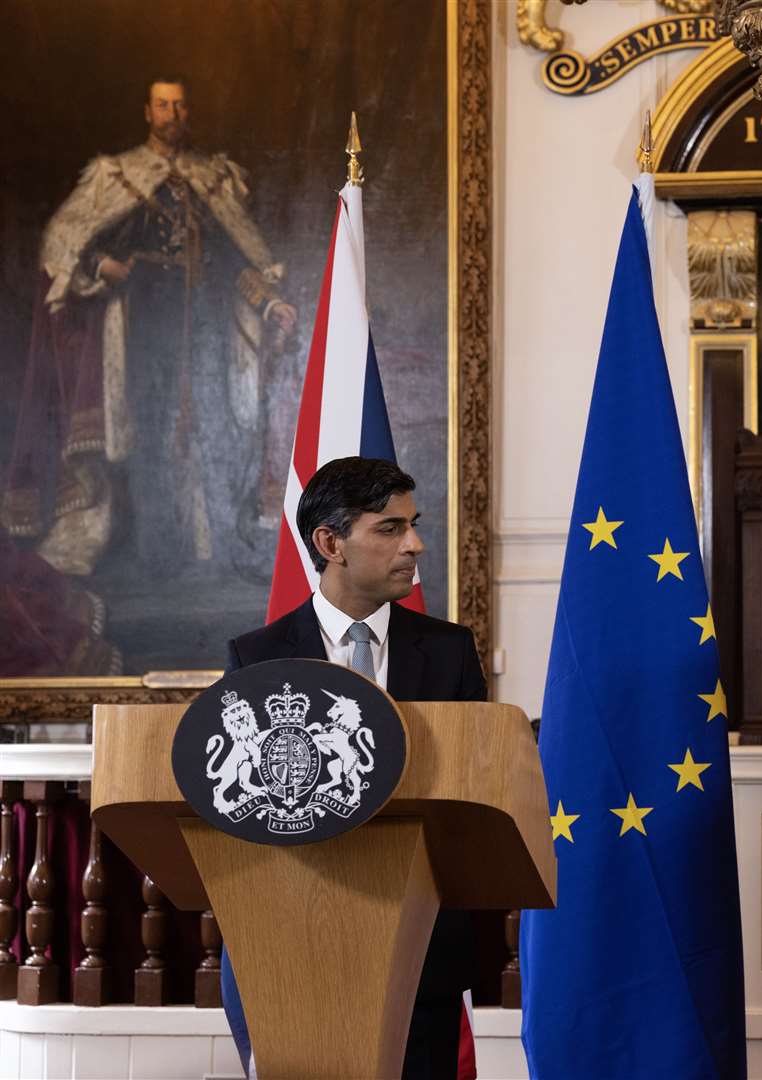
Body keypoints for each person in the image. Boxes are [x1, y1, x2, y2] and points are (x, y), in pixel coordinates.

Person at [224, 456, 483, 1079]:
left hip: (423, 946)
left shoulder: (450, 652)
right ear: (330, 542)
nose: (415, 544)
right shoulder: (257, 658)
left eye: (413, 525)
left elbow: (472, 788)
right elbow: (246, 803)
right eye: (390, 529)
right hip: (299, 939)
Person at [5, 76, 297, 579]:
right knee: (151, 432)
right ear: (148, 112)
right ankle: (159, 556)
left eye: (181, 105)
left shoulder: (212, 180)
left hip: (205, 327)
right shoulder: (119, 176)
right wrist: (101, 267)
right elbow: (68, 239)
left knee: (219, 427)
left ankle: (230, 548)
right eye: (164, 105)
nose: (173, 114)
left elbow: (235, 257)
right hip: (141, 323)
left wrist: (270, 303)